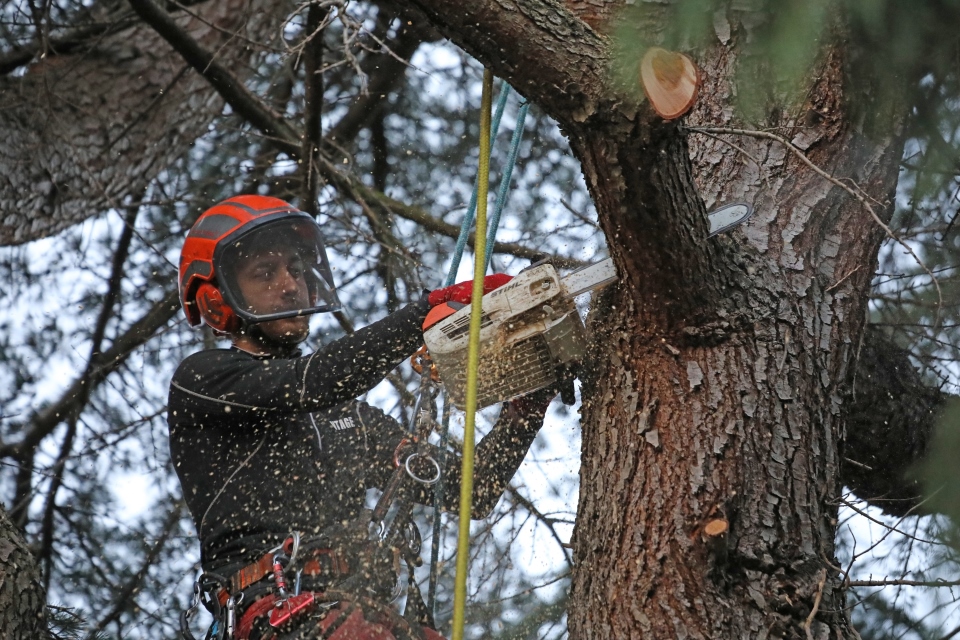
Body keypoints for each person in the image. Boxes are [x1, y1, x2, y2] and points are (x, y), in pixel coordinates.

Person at [168, 195, 558, 640]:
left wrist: (527, 402)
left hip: (359, 613)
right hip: (277, 616)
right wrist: (425, 313)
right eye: (265, 273)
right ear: (217, 298)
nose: (291, 284)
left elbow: (470, 489)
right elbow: (311, 380)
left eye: (295, 270)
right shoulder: (204, 381)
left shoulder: (346, 419)